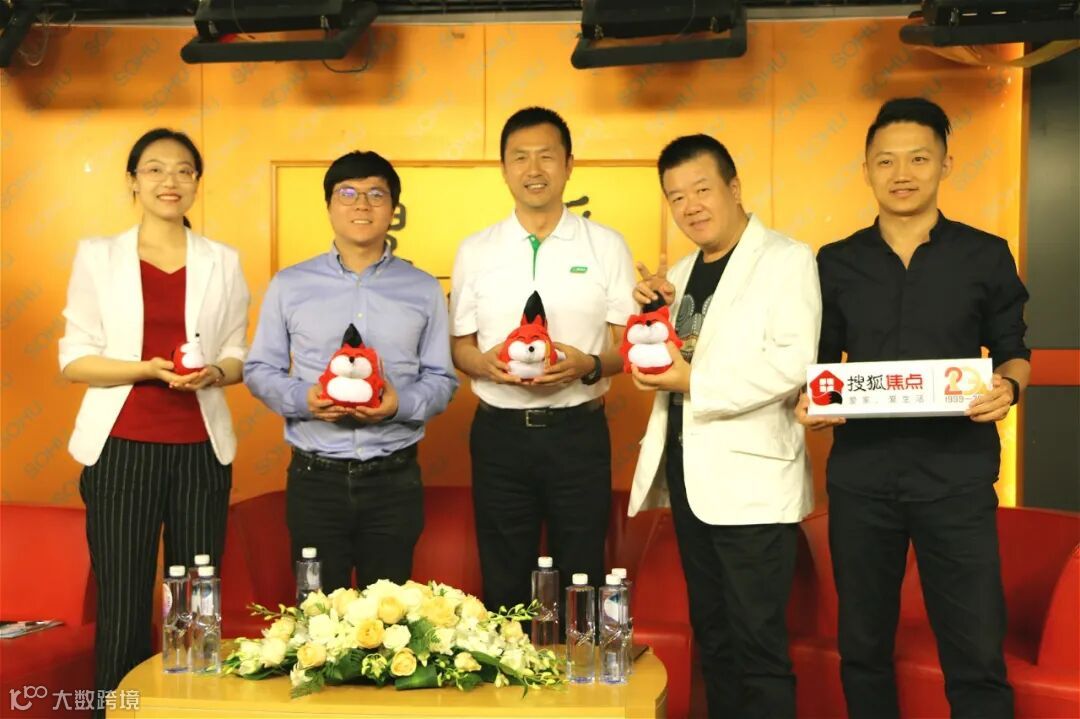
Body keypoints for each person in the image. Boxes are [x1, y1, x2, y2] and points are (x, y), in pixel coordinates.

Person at [796, 97, 1028, 719]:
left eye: (919, 158)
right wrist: (809, 402)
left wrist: (1008, 388)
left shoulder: (985, 254)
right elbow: (820, 362)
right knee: (863, 646)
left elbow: (1013, 352)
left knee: (976, 650)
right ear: (866, 170)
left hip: (957, 477)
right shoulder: (835, 261)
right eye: (886, 160)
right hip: (862, 479)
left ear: (945, 164)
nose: (902, 173)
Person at [628, 134, 820, 718]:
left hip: (754, 487)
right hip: (691, 479)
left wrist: (693, 381)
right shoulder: (682, 272)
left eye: (702, 189)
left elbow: (792, 363)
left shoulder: (786, 259)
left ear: (734, 188)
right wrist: (650, 318)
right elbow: (666, 363)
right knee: (713, 638)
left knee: (758, 647)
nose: (690, 207)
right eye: (676, 197)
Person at [59, 128, 250, 705]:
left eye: (184, 170)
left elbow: (237, 354)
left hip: (201, 451)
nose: (171, 181)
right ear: (133, 181)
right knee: (123, 603)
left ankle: (192, 712)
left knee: (196, 607)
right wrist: (145, 369)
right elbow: (74, 359)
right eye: (155, 169)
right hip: (121, 449)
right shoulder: (99, 256)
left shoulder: (222, 260)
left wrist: (214, 372)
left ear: (197, 182)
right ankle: (117, 713)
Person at [449, 107, 636, 612]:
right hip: (499, 435)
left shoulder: (606, 245)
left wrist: (588, 365)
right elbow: (460, 347)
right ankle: (508, 664)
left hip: (578, 433)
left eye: (547, 156)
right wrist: (484, 364)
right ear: (503, 168)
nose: (534, 170)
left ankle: (581, 662)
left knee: (582, 573)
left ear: (569, 164)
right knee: (504, 577)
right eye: (520, 157)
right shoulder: (476, 249)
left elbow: (628, 347)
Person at [244, 150, 457, 594]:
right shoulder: (290, 284)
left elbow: (442, 379)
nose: (362, 204)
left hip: (394, 480)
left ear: (393, 209)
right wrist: (303, 400)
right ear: (329, 206)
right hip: (315, 480)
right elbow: (260, 368)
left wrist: (400, 405)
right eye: (348, 193)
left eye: (376, 194)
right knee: (317, 618)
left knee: (391, 617)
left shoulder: (422, 289)